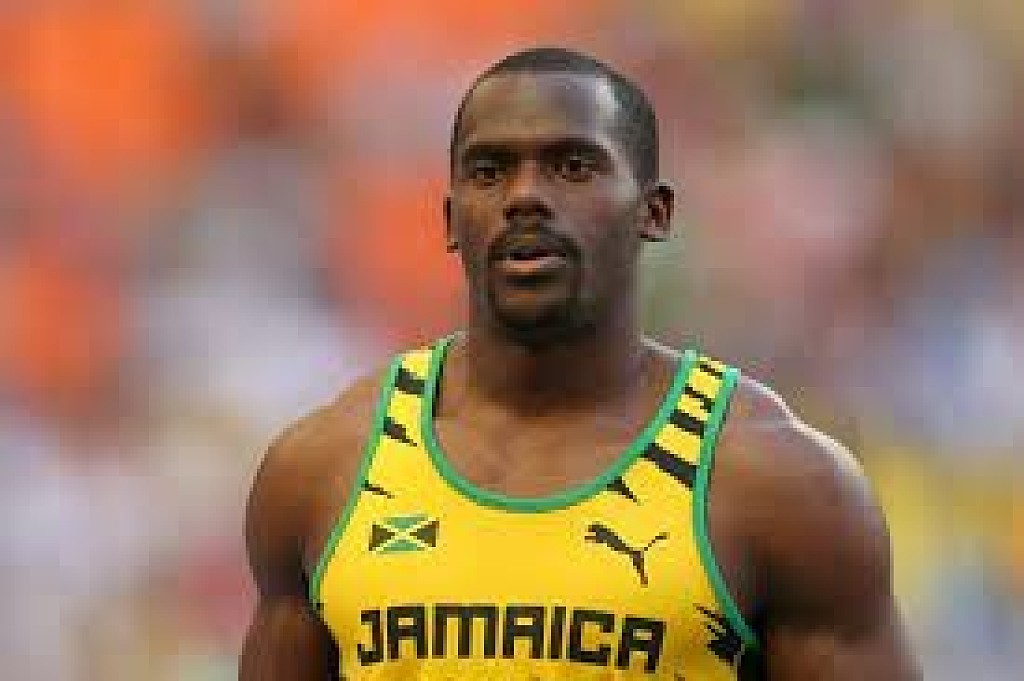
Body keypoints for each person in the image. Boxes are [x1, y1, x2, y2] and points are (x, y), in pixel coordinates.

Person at [239, 47, 920, 680]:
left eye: (572, 166)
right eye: (488, 171)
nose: (524, 197)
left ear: (654, 212)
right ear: (450, 220)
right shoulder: (324, 470)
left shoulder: (779, 483)